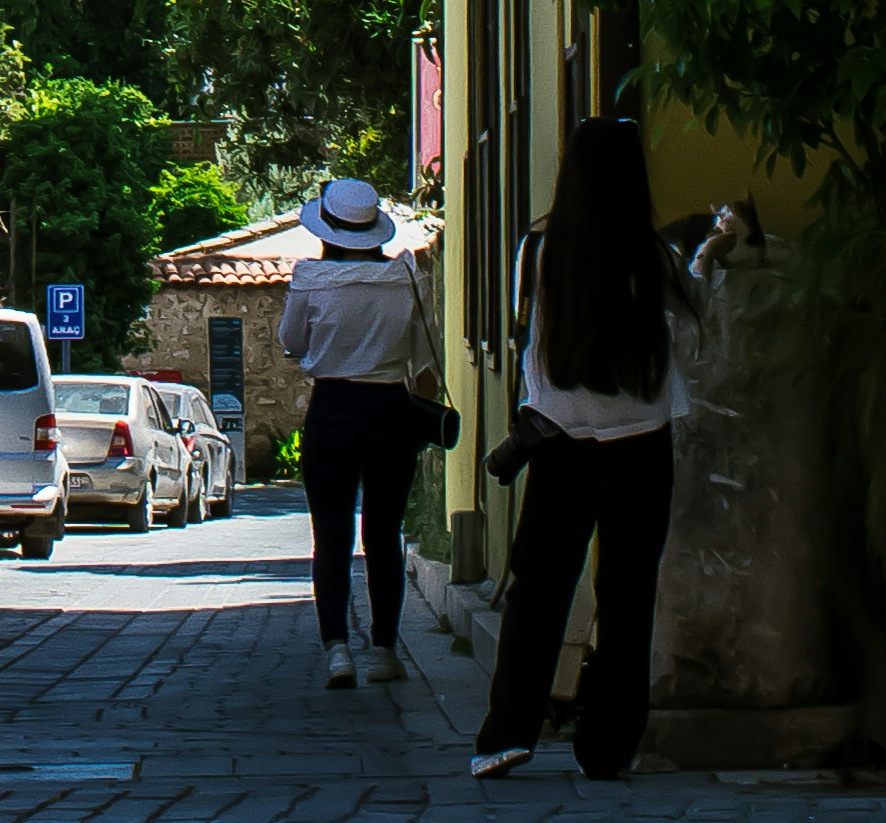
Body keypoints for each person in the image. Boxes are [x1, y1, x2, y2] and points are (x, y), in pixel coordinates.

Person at [471, 118, 700, 785]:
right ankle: (610, 743)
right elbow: (677, 344)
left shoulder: (538, 253)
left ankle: (506, 734)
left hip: (562, 441)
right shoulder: (655, 259)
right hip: (644, 442)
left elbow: (526, 345)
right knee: (629, 593)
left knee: (538, 591)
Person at [277, 172, 442, 690]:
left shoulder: (308, 278)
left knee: (330, 538)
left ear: (327, 229)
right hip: (391, 411)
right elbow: (424, 360)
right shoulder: (407, 278)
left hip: (332, 409)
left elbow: (292, 342)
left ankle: (337, 650)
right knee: (384, 535)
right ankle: (385, 649)